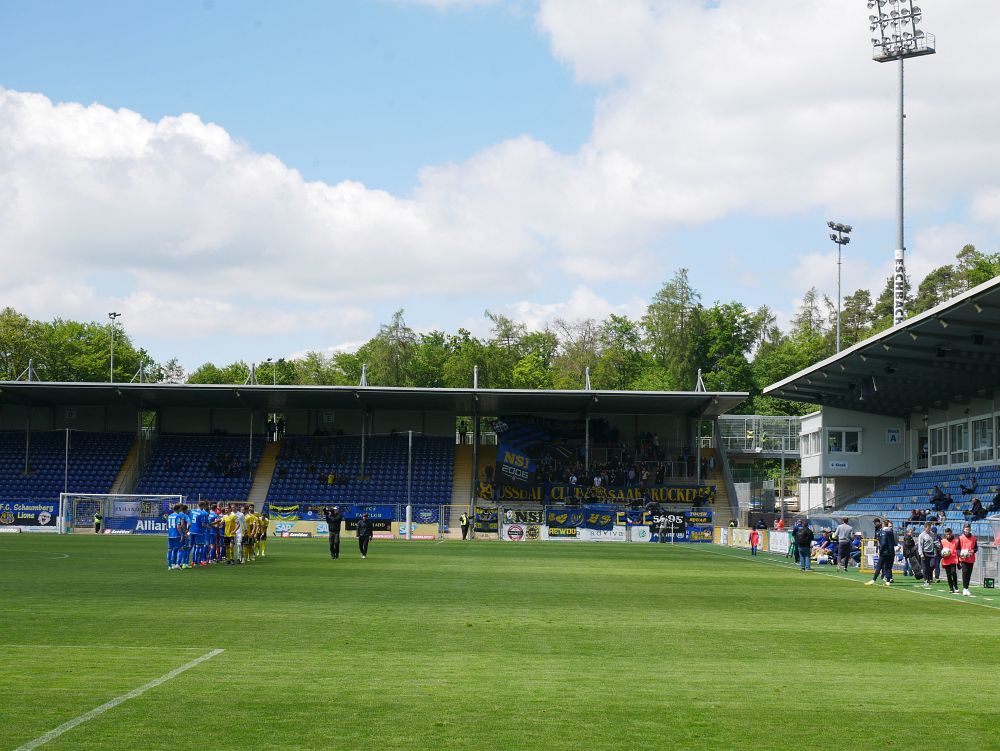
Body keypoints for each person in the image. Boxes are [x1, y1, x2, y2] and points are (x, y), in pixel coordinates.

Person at [866, 520, 896, 587]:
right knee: (888, 567)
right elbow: (893, 542)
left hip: (884, 552)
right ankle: (888, 581)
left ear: (883, 525)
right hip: (891, 552)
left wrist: (881, 550)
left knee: (879, 566)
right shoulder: (891, 532)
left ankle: (873, 580)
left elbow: (883, 543)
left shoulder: (883, 532)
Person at [955, 523, 978, 597]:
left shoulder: (974, 538)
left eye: (968, 529)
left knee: (969, 574)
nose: (967, 530)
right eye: (965, 529)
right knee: (965, 572)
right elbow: (958, 548)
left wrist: (973, 551)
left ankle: (967, 588)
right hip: (963, 558)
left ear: (970, 529)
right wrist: (960, 554)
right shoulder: (960, 538)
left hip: (971, 559)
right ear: (963, 529)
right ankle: (965, 588)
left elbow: (975, 548)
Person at [166, 503, 188, 570]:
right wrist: (182, 534)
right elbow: (178, 526)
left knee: (170, 550)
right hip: (177, 535)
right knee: (181, 549)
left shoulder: (169, 516)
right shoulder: (178, 516)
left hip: (170, 535)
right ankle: (178, 564)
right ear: (178, 509)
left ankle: (170, 565)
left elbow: (167, 526)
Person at [939, 528, 960, 594]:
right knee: (948, 574)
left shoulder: (956, 541)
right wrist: (943, 554)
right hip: (946, 560)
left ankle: (956, 586)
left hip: (953, 559)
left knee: (953, 572)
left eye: (949, 534)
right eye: (947, 534)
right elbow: (940, 550)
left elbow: (958, 550)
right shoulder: (943, 541)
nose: (948, 535)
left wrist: (959, 561)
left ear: (951, 533)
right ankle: (951, 587)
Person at [917, 523, 938, 589]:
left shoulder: (932, 534)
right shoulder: (921, 535)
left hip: (931, 553)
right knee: (925, 567)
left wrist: (937, 544)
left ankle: (929, 577)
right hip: (924, 553)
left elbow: (934, 542)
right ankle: (926, 580)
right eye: (928, 528)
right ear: (925, 528)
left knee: (932, 565)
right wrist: (921, 554)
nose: (929, 529)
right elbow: (920, 545)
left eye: (930, 528)